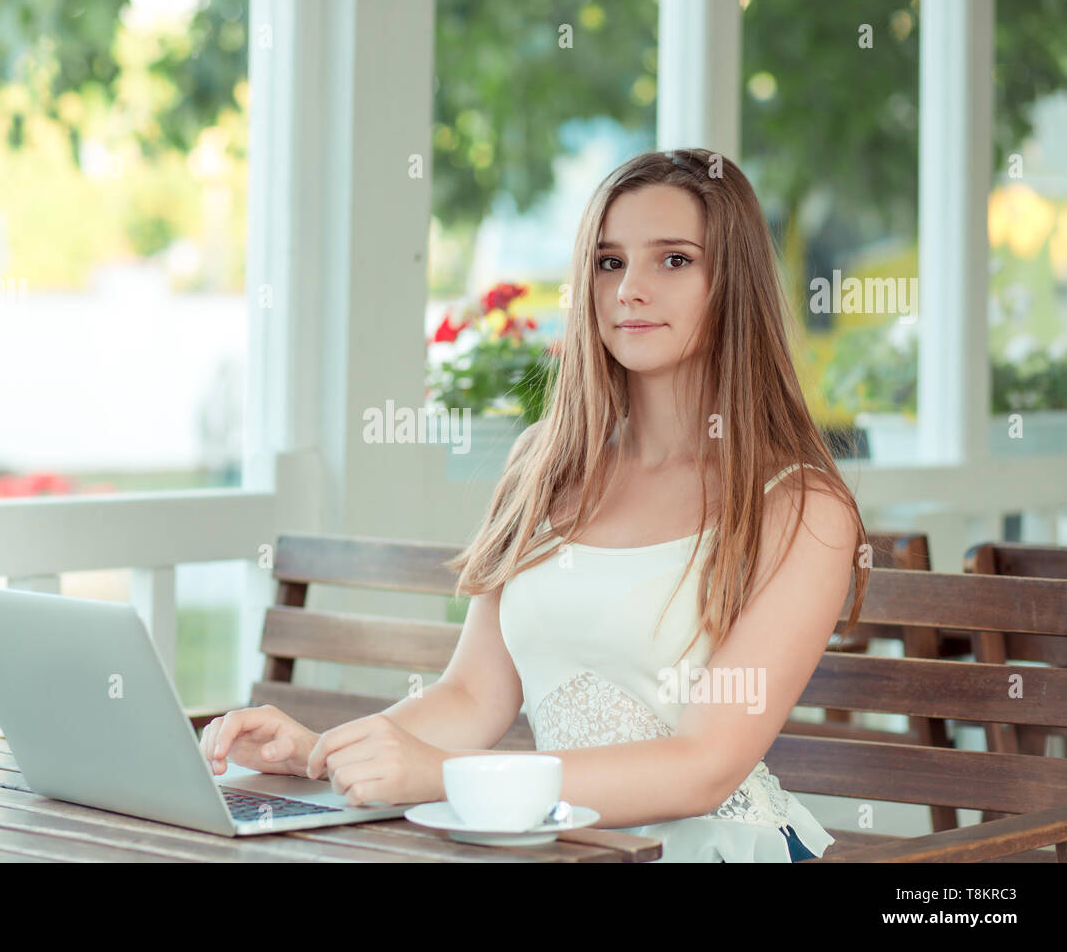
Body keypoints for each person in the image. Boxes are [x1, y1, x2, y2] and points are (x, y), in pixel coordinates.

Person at [200, 148, 869, 862]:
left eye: (673, 261)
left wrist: (446, 777)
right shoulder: (541, 465)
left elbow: (704, 765)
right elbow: (472, 696)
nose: (629, 290)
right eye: (609, 262)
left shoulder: (801, 507)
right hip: (569, 847)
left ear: (733, 283)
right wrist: (324, 755)